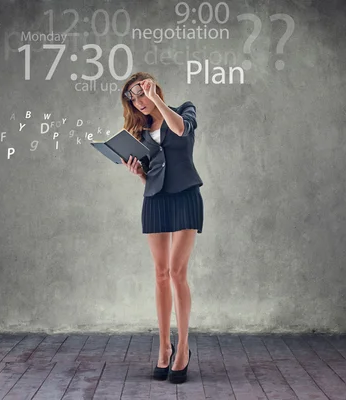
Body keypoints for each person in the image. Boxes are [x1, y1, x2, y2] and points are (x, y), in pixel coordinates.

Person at [120, 72, 204, 384]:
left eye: (140, 93)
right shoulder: (138, 133)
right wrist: (139, 175)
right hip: (155, 200)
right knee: (160, 274)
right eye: (133, 97)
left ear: (154, 89)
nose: (138, 102)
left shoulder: (184, 111)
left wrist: (155, 99)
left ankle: (183, 348)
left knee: (177, 272)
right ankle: (164, 348)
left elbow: (180, 132)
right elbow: (152, 173)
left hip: (185, 197)